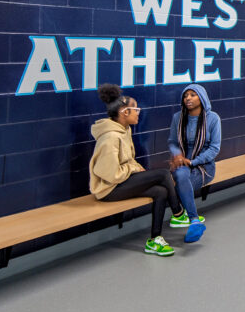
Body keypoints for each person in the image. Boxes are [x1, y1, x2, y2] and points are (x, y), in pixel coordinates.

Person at [89, 84, 185, 257]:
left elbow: (127, 161)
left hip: (121, 182)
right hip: (108, 189)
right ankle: (178, 212)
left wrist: (134, 167)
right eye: (136, 109)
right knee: (163, 174)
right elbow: (110, 174)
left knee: (161, 192)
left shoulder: (124, 130)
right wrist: (133, 168)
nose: (139, 112)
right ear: (125, 112)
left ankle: (155, 240)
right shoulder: (110, 137)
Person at [168, 84, 221, 244]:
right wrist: (177, 155)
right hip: (182, 163)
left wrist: (193, 161)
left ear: (202, 98)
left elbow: (214, 148)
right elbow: (172, 142)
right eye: (185, 96)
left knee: (180, 186)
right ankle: (194, 221)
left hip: (204, 166)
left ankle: (184, 215)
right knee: (180, 175)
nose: (188, 99)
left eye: (192, 95)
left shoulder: (213, 118)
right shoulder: (178, 117)